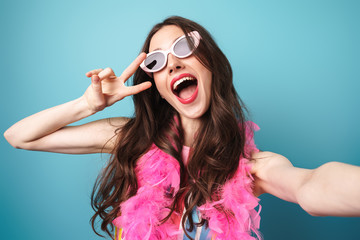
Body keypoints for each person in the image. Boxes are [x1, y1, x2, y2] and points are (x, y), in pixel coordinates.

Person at [4, 16, 360, 240]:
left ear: (209, 63)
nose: (172, 63)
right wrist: (88, 105)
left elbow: (311, 187)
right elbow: (19, 136)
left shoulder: (253, 167)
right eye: (157, 62)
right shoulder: (131, 139)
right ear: (156, 85)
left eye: (183, 46)